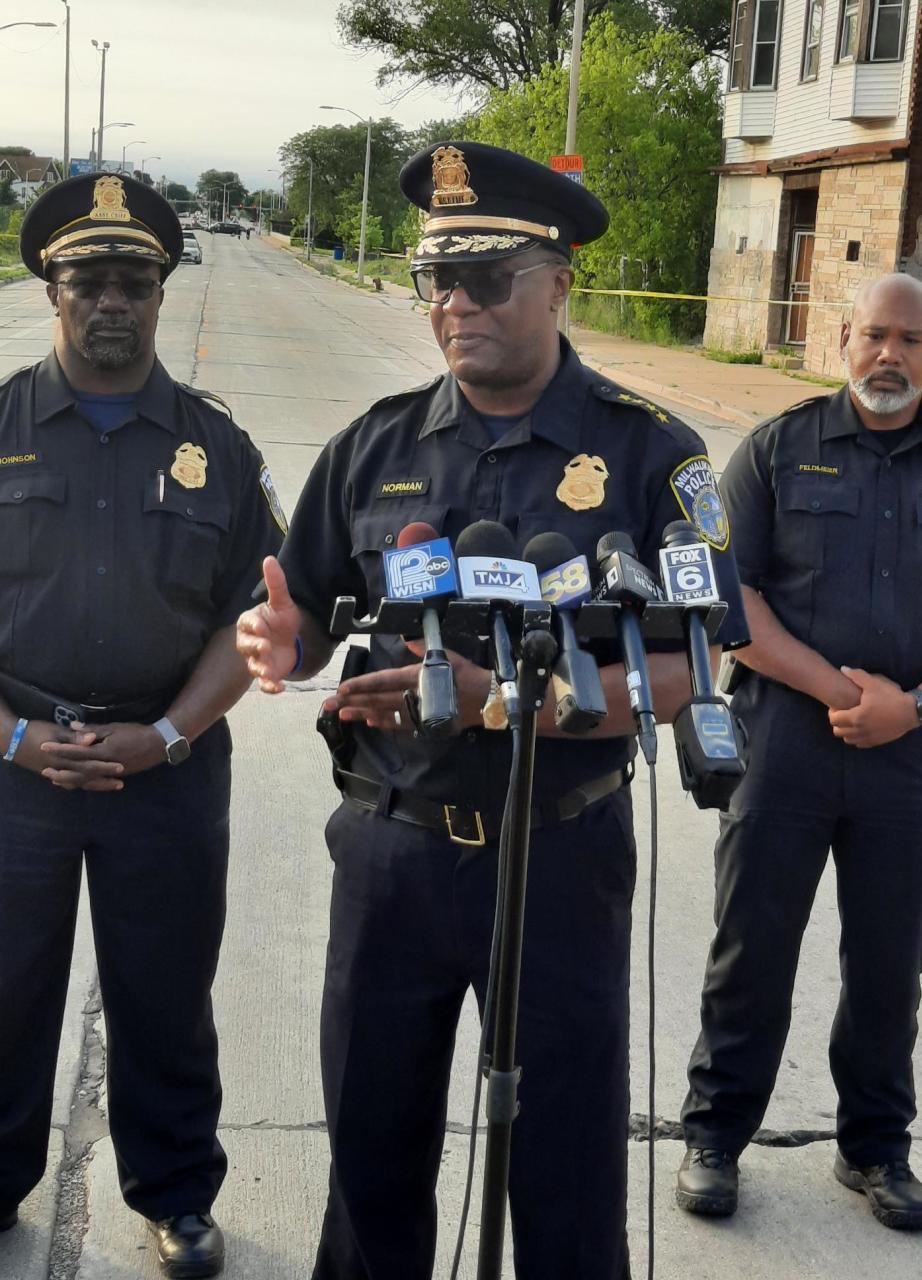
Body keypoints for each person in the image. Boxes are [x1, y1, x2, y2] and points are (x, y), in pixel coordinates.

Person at [237, 140, 748, 1280]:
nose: (454, 306)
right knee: (372, 1157)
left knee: (564, 1167)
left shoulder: (650, 453)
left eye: (486, 280)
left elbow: (696, 663)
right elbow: (313, 610)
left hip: (558, 854)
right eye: (436, 281)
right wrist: (282, 638)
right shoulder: (373, 444)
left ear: (559, 282)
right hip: (391, 855)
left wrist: (501, 701)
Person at [0, 173, 285, 1278]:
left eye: (134, 279)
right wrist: (15, 740)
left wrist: (167, 733)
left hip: (164, 769)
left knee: (164, 990)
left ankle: (175, 1193)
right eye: (88, 280)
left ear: (164, 292)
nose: (111, 298)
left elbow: (254, 610)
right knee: (5, 986)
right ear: (53, 293)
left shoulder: (218, 443)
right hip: (16, 764)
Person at [676, 273, 922, 1232]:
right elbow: (729, 602)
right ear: (843, 339)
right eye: (874, 336)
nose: (890, 356)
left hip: (912, 758)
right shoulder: (777, 449)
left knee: (891, 964)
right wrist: (846, 695)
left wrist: (914, 705)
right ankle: (715, 1136)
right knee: (751, 950)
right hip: (783, 744)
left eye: (910, 341)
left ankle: (875, 1149)